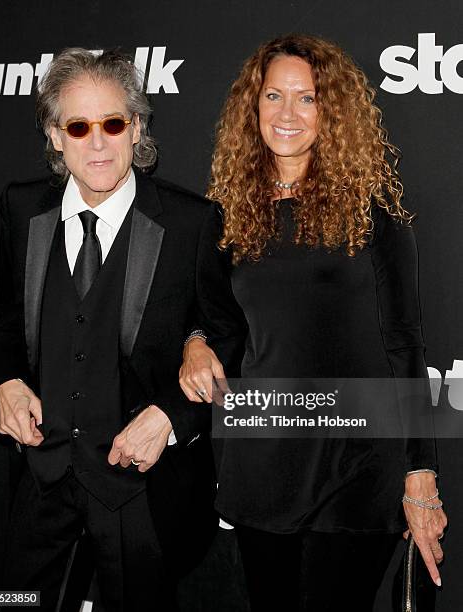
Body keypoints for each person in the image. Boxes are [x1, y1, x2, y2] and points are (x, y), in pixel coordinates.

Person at [179, 34, 448, 611]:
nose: (287, 114)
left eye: (307, 98)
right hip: (262, 461)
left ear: (333, 113)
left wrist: (420, 470)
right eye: (273, 96)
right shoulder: (224, 220)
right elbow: (211, 319)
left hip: (357, 463)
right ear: (252, 108)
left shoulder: (375, 219)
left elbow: (404, 344)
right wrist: (196, 343)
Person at [0, 47, 243, 612]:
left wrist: (171, 417)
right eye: (78, 126)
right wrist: (4, 380)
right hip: (41, 475)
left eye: (113, 123)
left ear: (137, 129)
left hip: (139, 491)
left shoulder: (189, 222)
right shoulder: (20, 208)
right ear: (55, 136)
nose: (97, 142)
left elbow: (225, 336)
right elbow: (7, 317)